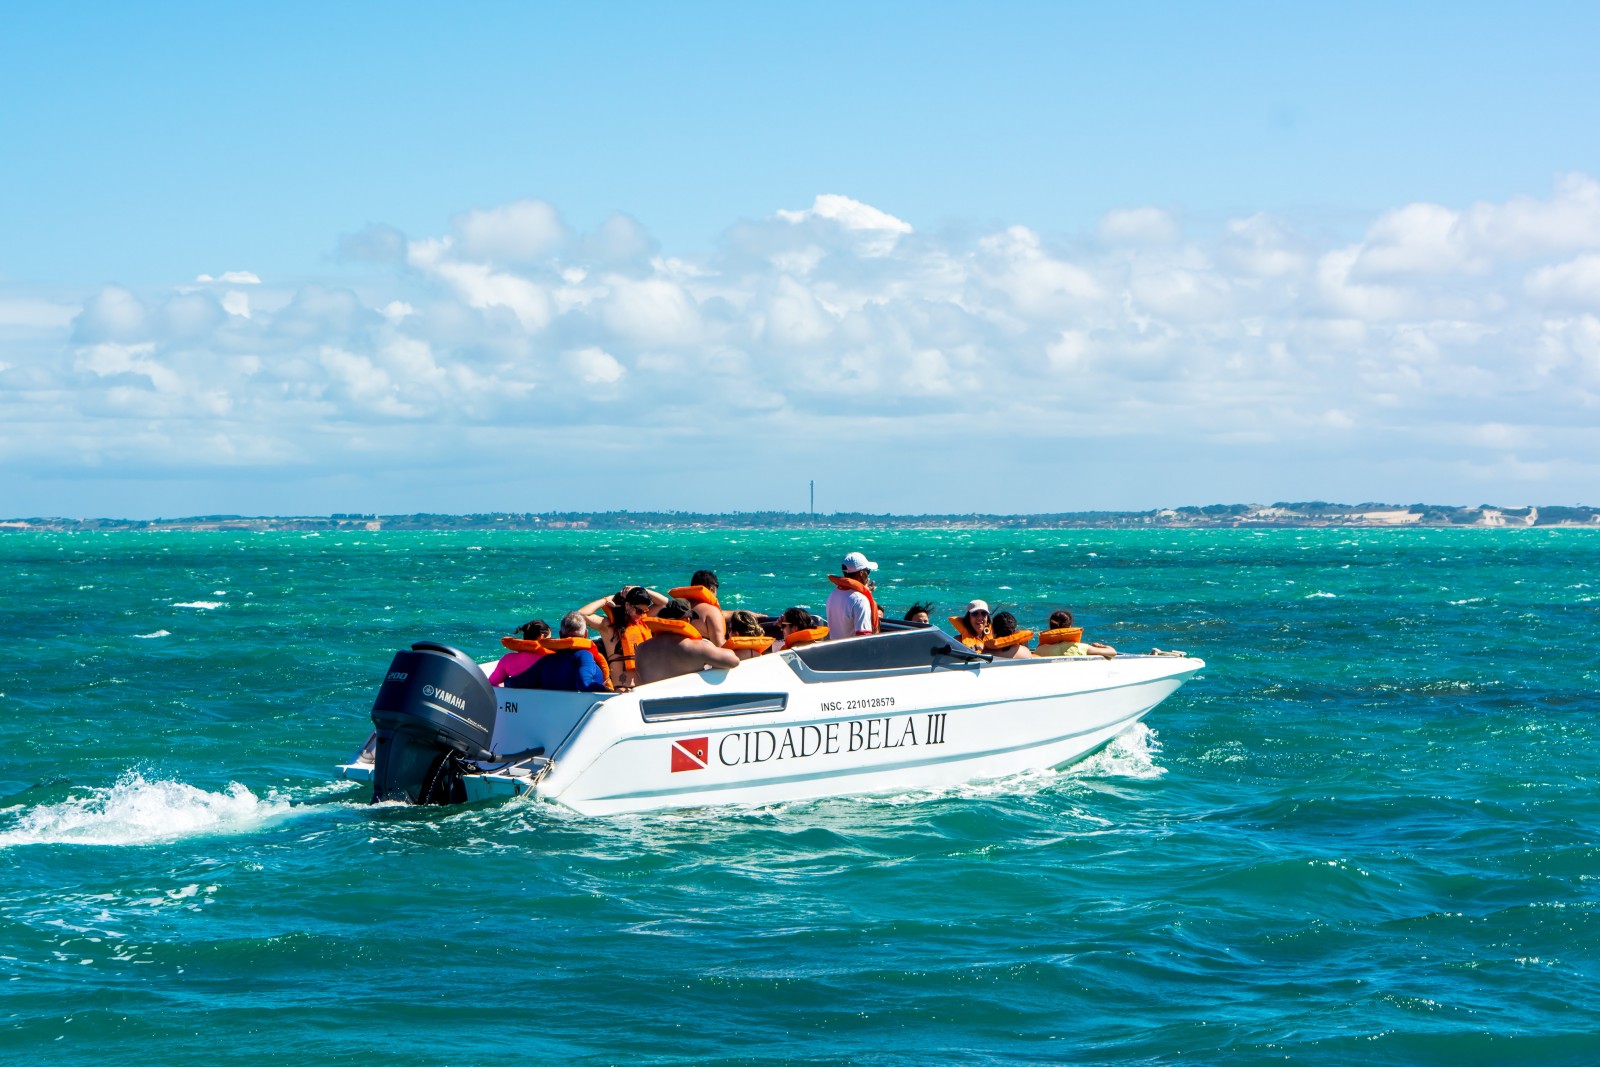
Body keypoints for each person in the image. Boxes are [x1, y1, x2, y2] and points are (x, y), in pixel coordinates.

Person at [579, 584, 668, 689]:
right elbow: (581, 614)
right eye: (639, 611)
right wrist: (607, 600)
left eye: (644, 611)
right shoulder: (609, 627)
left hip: (647, 688)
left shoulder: (643, 619)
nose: (641, 614)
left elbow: (663, 602)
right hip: (622, 689)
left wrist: (639, 588)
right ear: (628, 605)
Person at [634, 598, 741, 684]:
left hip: (651, 706)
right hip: (686, 705)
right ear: (687, 620)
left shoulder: (641, 648)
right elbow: (734, 661)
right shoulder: (696, 647)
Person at [503, 612, 612, 692]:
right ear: (586, 634)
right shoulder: (584, 656)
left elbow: (518, 682)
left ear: (560, 634)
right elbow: (584, 684)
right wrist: (609, 691)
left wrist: (507, 680)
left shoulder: (547, 660)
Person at [825, 551, 881, 639]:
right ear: (861, 573)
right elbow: (864, 638)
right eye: (868, 571)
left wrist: (866, 593)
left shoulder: (833, 595)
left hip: (836, 650)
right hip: (852, 651)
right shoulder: (860, 600)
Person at [670, 569, 726, 647]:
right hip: (697, 656)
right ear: (712, 589)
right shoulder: (711, 611)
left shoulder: (674, 607)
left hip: (673, 653)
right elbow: (720, 646)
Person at [488, 618, 551, 686]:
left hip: (515, 696)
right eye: (549, 639)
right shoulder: (550, 659)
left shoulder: (507, 659)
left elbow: (491, 683)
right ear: (541, 637)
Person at [1035, 609, 1116, 660]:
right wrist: (1100, 646)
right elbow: (1112, 652)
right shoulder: (1082, 648)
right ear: (1070, 627)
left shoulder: (1040, 650)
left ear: (1050, 627)